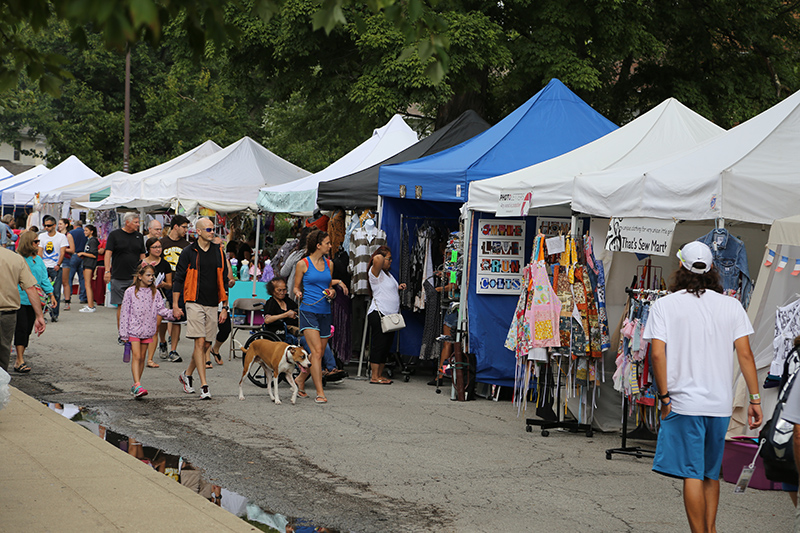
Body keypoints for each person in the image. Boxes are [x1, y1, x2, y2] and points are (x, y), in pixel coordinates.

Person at [642, 241, 762, 533]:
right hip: (718, 405)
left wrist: (664, 397)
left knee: (691, 474)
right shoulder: (731, 306)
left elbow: (657, 354)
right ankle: (711, 529)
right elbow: (745, 355)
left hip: (683, 404)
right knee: (711, 474)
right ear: (712, 270)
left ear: (681, 266)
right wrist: (755, 400)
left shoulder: (664, 306)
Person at [173, 217, 229, 400]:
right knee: (199, 342)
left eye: (213, 229)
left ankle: (187, 374)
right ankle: (204, 386)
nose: (212, 232)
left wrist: (225, 307)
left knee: (206, 344)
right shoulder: (189, 252)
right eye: (208, 229)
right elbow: (179, 278)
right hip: (193, 301)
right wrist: (175, 304)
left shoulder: (218, 251)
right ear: (198, 231)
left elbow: (223, 279)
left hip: (213, 302)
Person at [292, 230, 348, 404]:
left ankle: (300, 380)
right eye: (327, 243)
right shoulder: (303, 264)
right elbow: (295, 286)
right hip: (308, 310)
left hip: (325, 311)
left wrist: (332, 289)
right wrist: (298, 292)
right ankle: (320, 392)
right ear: (318, 245)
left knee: (320, 353)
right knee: (316, 353)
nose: (330, 246)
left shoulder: (329, 264)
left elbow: (326, 283)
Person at [119, 263, 175, 399]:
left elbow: (161, 309)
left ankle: (136, 384)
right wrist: (123, 333)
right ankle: (137, 384)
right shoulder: (130, 292)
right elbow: (124, 312)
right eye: (148, 275)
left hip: (148, 330)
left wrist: (173, 314)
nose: (151, 278)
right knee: (137, 356)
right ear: (140, 276)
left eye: (152, 275)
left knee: (143, 357)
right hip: (133, 329)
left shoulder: (155, 292)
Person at [13, 231, 56, 373]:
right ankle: (19, 360)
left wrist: (51, 294)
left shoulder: (38, 259)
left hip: (34, 300)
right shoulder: (18, 258)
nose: (38, 244)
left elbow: (44, 279)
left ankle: (20, 357)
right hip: (19, 298)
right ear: (28, 243)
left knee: (27, 330)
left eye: (38, 242)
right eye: (35, 242)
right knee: (21, 328)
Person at [0, 245, 46, 371]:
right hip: (6, 313)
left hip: (7, 313)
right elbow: (30, 288)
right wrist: (39, 315)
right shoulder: (15, 258)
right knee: (3, 353)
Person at [367, 246, 406, 385]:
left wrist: (399, 287)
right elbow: (376, 258)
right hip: (379, 313)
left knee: (385, 345)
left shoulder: (388, 275)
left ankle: (379, 374)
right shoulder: (375, 274)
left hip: (390, 316)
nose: (390, 261)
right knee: (379, 344)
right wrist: (382, 255)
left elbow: (389, 289)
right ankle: (374, 376)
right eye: (388, 259)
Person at [104, 212, 146, 334]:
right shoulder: (115, 235)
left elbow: (142, 255)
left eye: (138, 222)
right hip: (119, 276)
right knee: (122, 307)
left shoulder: (139, 236)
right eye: (136, 222)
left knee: (136, 307)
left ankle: (134, 331)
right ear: (127, 222)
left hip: (135, 277)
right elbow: (108, 253)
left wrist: (143, 271)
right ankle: (122, 332)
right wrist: (107, 270)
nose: (138, 225)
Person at [160, 214, 191, 362]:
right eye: (184, 227)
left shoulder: (187, 246)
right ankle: (162, 342)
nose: (186, 230)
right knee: (162, 317)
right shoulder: (162, 243)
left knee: (177, 316)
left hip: (180, 285)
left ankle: (174, 350)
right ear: (175, 227)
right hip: (162, 285)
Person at [203, 236, 235, 368]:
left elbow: (230, 280)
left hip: (222, 299)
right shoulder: (207, 259)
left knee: (225, 328)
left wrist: (231, 281)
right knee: (208, 329)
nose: (221, 246)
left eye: (222, 244)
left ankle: (215, 349)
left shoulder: (224, 260)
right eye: (218, 244)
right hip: (208, 298)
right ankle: (205, 356)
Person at [143, 237, 173, 369]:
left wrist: (163, 284)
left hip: (159, 297)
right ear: (148, 249)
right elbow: (135, 284)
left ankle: (150, 358)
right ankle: (142, 354)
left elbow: (170, 285)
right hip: (144, 299)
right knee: (144, 328)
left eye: (159, 247)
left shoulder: (165, 264)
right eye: (155, 247)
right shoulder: (142, 264)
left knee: (155, 328)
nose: (158, 249)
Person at [38, 215, 68, 322]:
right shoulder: (41, 236)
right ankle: (42, 314)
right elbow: (40, 251)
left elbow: (62, 252)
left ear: (54, 225)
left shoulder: (61, 237)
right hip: (44, 266)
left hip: (55, 267)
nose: (47, 227)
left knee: (55, 292)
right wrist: (40, 264)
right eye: (45, 225)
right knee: (42, 291)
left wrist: (58, 264)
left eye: (49, 225)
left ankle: (54, 314)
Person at [63, 219, 87, 308]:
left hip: (73, 255)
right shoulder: (85, 233)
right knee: (82, 277)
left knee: (69, 277)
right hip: (83, 255)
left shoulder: (71, 233)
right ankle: (83, 297)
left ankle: (68, 295)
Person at [77, 224, 100, 312]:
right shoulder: (89, 240)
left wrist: (83, 254)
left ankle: (91, 305)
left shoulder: (93, 241)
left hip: (89, 264)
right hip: (87, 262)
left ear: (91, 231)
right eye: (84, 230)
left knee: (87, 284)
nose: (85, 232)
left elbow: (94, 254)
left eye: (86, 230)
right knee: (87, 283)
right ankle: (90, 304)